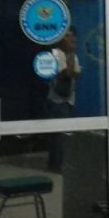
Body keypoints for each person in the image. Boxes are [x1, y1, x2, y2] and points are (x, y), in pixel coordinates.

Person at [46, 29, 81, 170]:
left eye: (72, 36)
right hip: (57, 101)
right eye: (67, 36)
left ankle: (58, 162)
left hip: (69, 99)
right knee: (59, 136)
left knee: (64, 134)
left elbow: (77, 74)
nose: (70, 39)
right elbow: (66, 73)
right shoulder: (56, 54)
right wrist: (70, 57)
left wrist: (71, 56)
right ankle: (57, 165)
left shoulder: (73, 55)